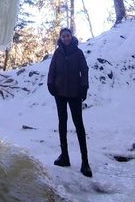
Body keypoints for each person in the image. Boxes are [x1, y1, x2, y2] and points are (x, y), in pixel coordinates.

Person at [46, 27, 92, 177]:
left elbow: (84, 70)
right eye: (63, 36)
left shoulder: (78, 53)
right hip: (59, 93)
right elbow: (52, 70)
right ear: (60, 38)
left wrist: (84, 86)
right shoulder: (57, 53)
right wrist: (50, 84)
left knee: (79, 125)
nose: (66, 38)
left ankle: (85, 162)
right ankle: (64, 156)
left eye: (68, 36)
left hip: (74, 93)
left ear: (71, 37)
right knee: (62, 123)